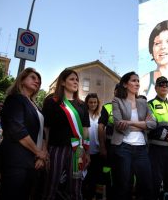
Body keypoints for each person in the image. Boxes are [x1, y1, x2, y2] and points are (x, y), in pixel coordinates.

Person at [0, 68, 47, 200]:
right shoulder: (15, 99)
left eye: (39, 80)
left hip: (33, 161)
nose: (37, 81)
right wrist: (38, 152)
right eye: (33, 77)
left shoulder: (37, 106)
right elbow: (17, 129)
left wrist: (42, 156)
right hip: (16, 159)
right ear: (22, 80)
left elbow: (43, 134)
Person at [42, 68, 90, 200]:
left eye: (77, 80)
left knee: (75, 186)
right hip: (57, 148)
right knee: (51, 184)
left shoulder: (82, 105)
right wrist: (44, 150)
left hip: (78, 152)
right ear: (63, 82)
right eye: (72, 79)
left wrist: (87, 152)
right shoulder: (52, 101)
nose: (76, 82)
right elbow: (46, 128)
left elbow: (85, 129)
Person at [111, 71, 156, 200]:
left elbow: (153, 124)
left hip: (142, 148)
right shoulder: (117, 101)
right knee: (124, 185)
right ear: (125, 84)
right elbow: (118, 123)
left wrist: (130, 122)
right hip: (123, 147)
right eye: (133, 80)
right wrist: (143, 124)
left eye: (138, 81)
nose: (137, 83)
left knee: (146, 185)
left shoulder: (143, 103)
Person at [98, 83, 119, 200]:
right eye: (117, 90)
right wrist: (102, 147)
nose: (119, 92)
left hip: (125, 148)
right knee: (108, 174)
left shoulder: (130, 107)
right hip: (110, 147)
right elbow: (100, 127)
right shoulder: (107, 107)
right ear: (114, 91)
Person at [82, 93, 102, 200]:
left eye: (95, 102)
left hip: (97, 152)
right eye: (90, 102)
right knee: (84, 177)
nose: (93, 104)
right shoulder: (83, 115)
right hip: (85, 152)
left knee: (95, 177)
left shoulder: (100, 116)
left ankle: (92, 196)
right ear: (87, 103)